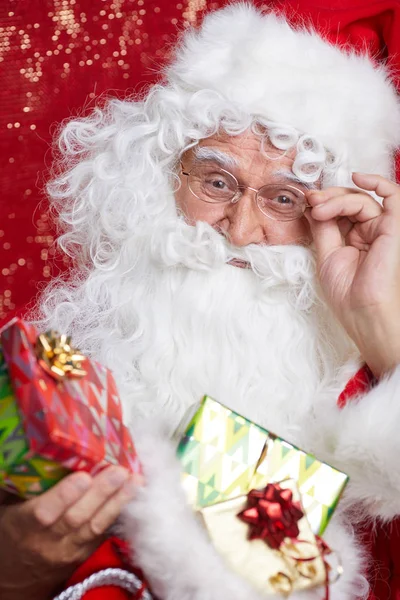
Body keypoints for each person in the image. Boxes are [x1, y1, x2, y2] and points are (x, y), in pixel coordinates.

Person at [2, 2, 400, 599]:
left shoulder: (365, 390)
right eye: (216, 181)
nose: (238, 231)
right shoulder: (56, 369)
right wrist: (13, 575)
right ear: (156, 175)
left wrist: (380, 326)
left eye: (285, 200)